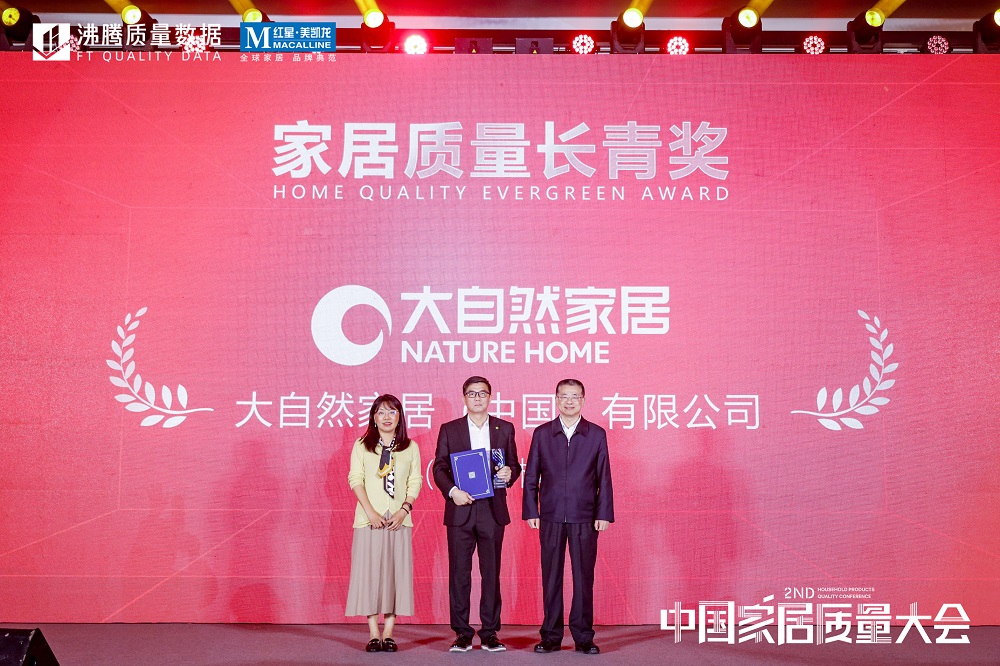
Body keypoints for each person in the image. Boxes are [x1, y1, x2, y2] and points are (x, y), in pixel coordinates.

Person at [522, 379, 614, 655]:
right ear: (556, 400)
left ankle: (583, 637)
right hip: (550, 516)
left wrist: (603, 513)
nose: (570, 401)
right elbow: (531, 476)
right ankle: (551, 636)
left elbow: (604, 477)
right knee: (551, 578)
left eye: (575, 397)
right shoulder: (542, 433)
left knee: (583, 579)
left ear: (583, 400)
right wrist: (531, 510)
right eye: (564, 396)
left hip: (585, 516)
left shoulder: (596, 434)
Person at [433, 376, 521, 652]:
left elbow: (514, 465)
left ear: (490, 397)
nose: (478, 398)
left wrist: (509, 474)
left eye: (482, 393)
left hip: (492, 510)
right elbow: (439, 467)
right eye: (472, 394)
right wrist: (453, 492)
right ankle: (462, 632)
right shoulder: (450, 429)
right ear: (464, 398)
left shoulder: (504, 428)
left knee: (491, 573)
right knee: (459, 573)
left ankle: (490, 632)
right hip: (460, 508)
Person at [345, 394, 422, 653]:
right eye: (381, 412)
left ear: (400, 417)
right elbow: (355, 478)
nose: (387, 417)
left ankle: (389, 633)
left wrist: (404, 510)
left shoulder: (410, 447)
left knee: (394, 575)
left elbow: (415, 481)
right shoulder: (362, 445)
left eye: (392, 412)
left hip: (398, 520)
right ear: (374, 418)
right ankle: (373, 633)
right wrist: (370, 512)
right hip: (369, 519)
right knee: (370, 575)